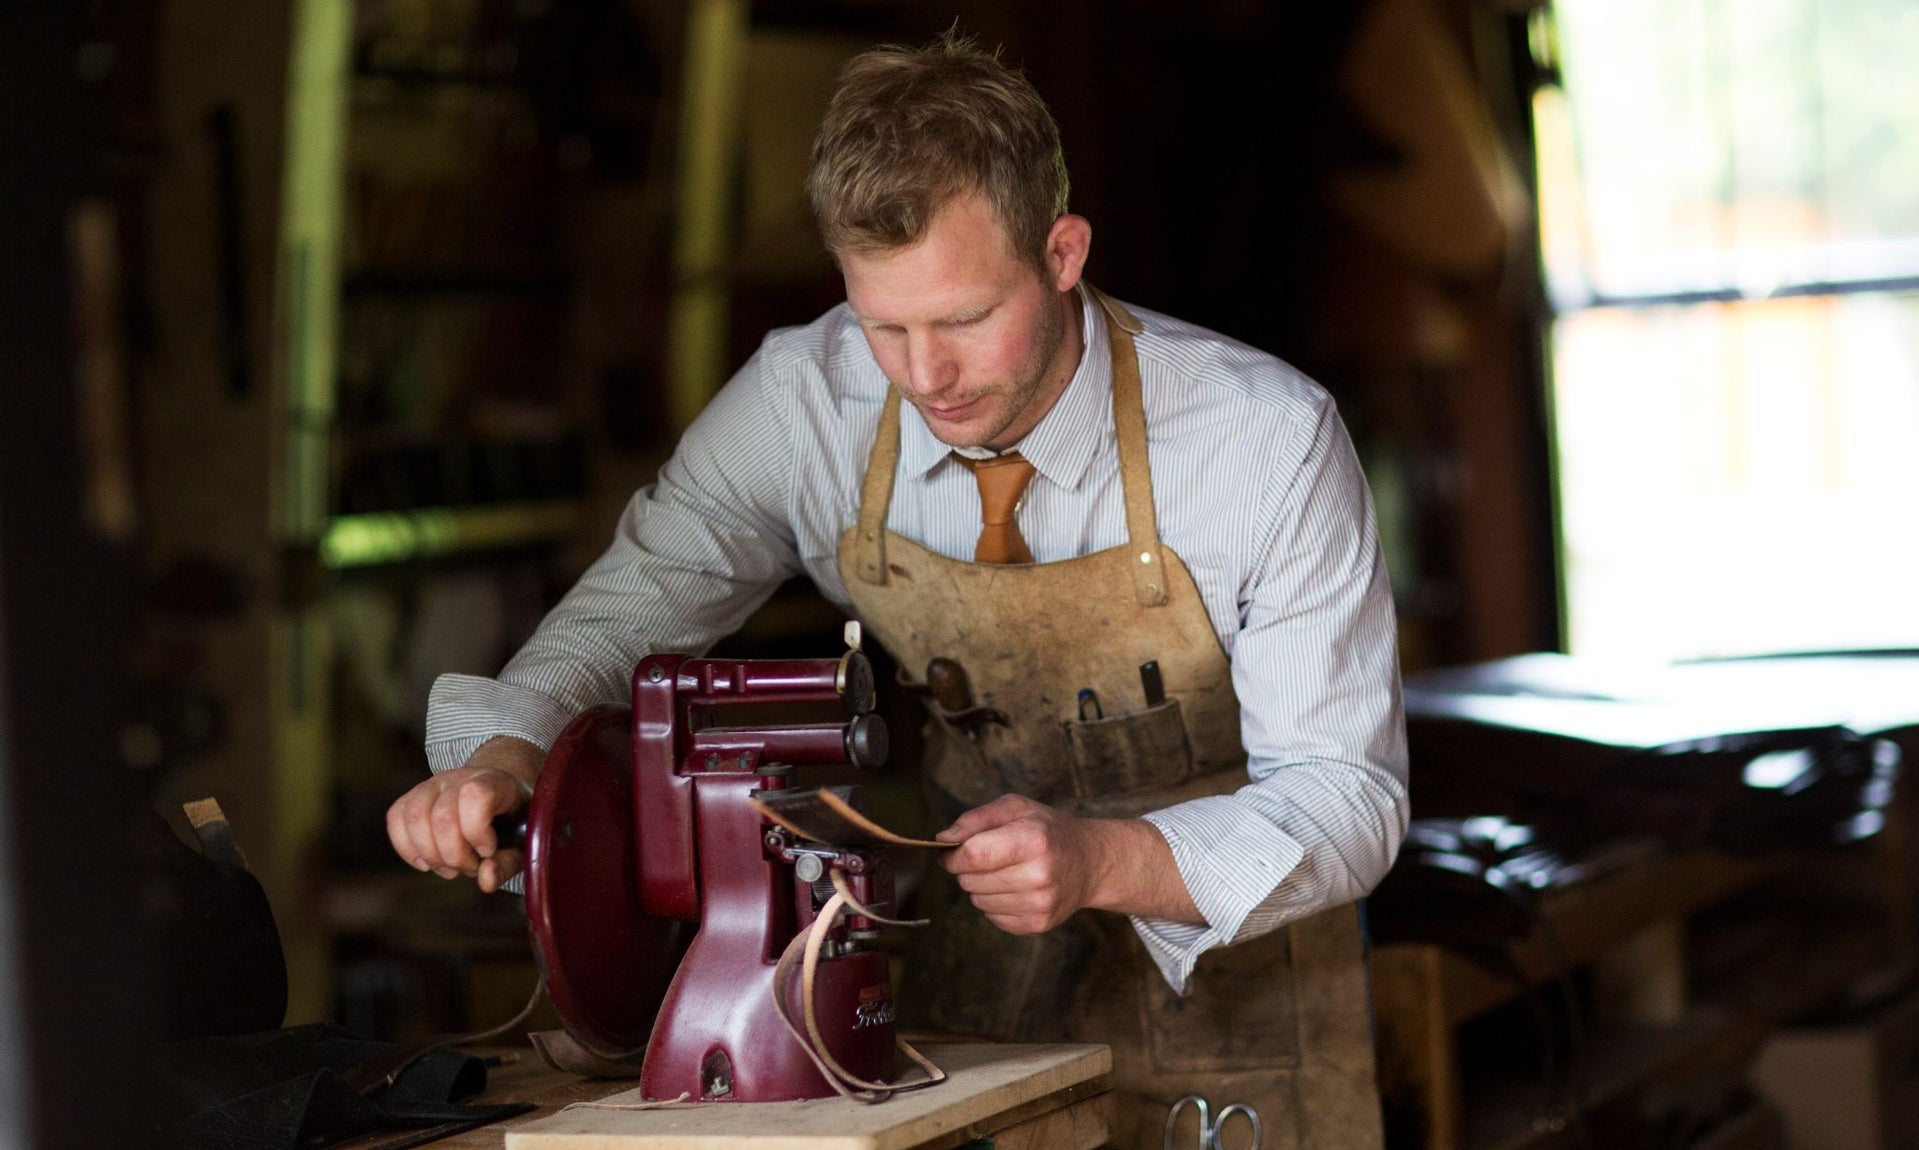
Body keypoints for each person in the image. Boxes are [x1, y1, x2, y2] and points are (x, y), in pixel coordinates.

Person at [387, 30, 1407, 1146]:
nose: (925, 376)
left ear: (1062, 252)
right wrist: (505, 756)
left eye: (964, 319)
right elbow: (630, 608)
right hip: (968, 1006)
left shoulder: (1263, 441)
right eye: (884, 323)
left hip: (1245, 1011)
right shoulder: (802, 404)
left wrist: (1100, 857)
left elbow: (1348, 798)